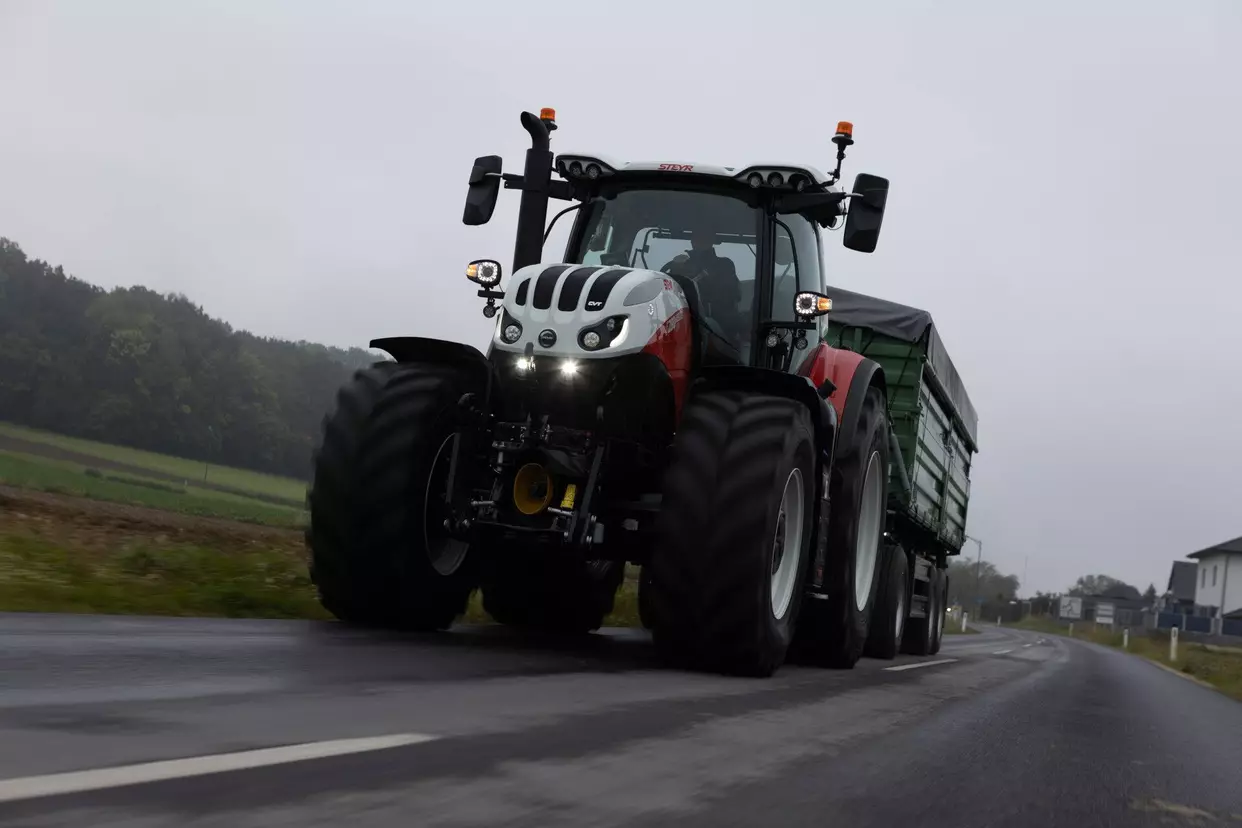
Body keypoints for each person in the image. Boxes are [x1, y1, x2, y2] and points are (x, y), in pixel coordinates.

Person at [663, 226, 744, 347]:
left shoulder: (724, 265)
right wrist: (677, 271)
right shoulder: (679, 265)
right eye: (697, 236)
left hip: (719, 327)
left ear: (712, 239)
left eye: (705, 236)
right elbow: (668, 295)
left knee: (709, 326)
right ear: (692, 240)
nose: (700, 239)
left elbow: (733, 295)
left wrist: (706, 280)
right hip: (683, 321)